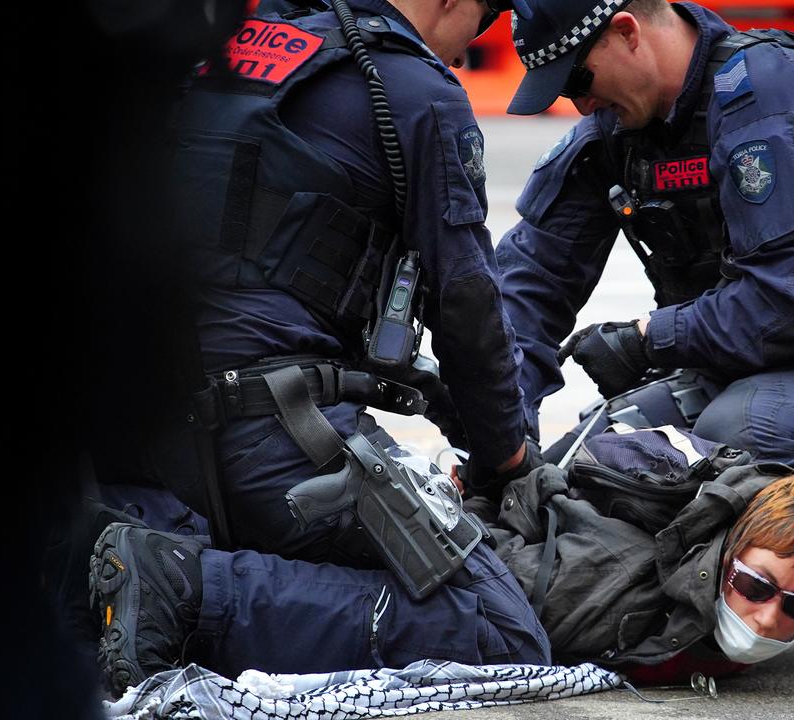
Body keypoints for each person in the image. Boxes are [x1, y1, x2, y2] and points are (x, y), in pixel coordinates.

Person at [86, 0, 553, 695]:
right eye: (479, 24)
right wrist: (507, 456)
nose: (463, 51)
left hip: (132, 427)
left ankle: (104, 576)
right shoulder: (413, 89)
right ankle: (186, 588)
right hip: (273, 439)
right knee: (498, 625)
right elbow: (465, 307)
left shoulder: (210, 47)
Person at [494, 0, 794, 674]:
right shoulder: (620, 126)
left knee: (733, 438)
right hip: (723, 361)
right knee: (589, 468)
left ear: (627, 33)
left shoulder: (762, 91)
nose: (578, 104)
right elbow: (528, 283)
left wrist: (647, 337)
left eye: (579, 80)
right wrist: (503, 443)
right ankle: (686, 603)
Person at [472, 460, 794, 682]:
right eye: (756, 586)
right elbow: (479, 572)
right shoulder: (614, 587)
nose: (769, 618)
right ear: (726, 557)